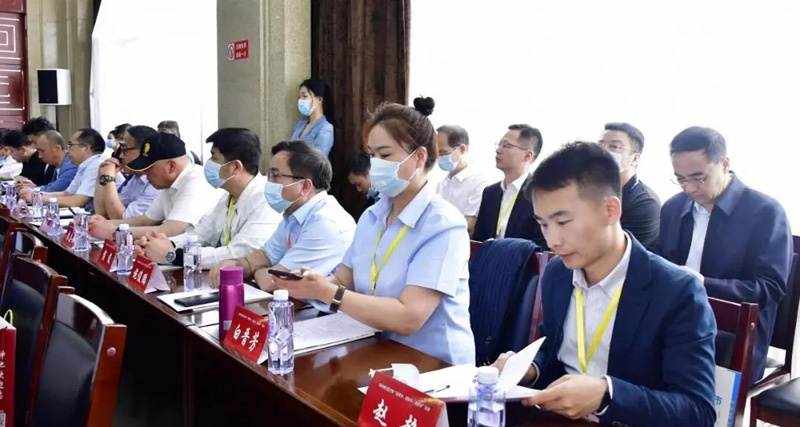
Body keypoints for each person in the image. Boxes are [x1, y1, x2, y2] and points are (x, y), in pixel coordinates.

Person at [495, 141, 716, 426]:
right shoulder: (557, 274)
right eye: (543, 224)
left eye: (563, 222)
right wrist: (529, 368)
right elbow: (553, 348)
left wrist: (607, 395)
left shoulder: (676, 291)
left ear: (611, 210)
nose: (552, 240)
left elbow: (697, 411)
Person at [269, 98, 476, 366]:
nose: (375, 164)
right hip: (376, 349)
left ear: (419, 157)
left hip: (433, 364)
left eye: (385, 155)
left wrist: (328, 293)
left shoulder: (444, 224)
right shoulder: (372, 216)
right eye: (371, 155)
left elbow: (409, 317)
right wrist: (313, 283)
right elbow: (343, 279)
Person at [658, 126, 791, 384]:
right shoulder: (673, 208)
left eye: (699, 178)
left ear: (725, 164)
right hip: (675, 324)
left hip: (733, 335)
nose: (689, 188)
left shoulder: (765, 213)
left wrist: (703, 284)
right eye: (681, 179)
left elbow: (769, 289)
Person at [208, 140, 355, 299]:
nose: (268, 183)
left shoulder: (324, 223)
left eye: (275, 175)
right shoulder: (293, 213)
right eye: (269, 175)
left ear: (305, 186)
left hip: (323, 310)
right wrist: (238, 264)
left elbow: (273, 282)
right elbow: (266, 255)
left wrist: (256, 270)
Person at [137, 128, 281, 268]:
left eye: (214, 157)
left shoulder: (266, 200)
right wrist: (163, 244)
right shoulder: (228, 197)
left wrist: (173, 255)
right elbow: (201, 234)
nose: (208, 162)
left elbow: (238, 253)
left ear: (236, 167)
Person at [88, 132, 218, 239]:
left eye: (149, 168)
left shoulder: (196, 182)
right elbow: (144, 220)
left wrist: (114, 231)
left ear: (171, 167)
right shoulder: (168, 184)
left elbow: (170, 230)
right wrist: (103, 223)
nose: (145, 174)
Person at [473, 124, 546, 247]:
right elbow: (479, 238)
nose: (498, 150)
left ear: (527, 156)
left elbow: (542, 244)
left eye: (506, 145)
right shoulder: (490, 192)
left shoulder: (539, 194)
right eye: (499, 145)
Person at [598, 122, 660, 250]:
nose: (603, 151)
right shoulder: (591, 191)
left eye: (614, 146)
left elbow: (620, 252)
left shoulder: (645, 203)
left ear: (635, 159)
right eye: (600, 145)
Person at [41, 128, 121, 210]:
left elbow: (77, 202)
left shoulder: (97, 164)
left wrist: (40, 199)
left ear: (85, 148)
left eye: (71, 145)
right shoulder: (84, 165)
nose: (67, 151)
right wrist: (39, 195)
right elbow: (68, 193)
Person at [93, 125, 161, 219]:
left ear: (144, 152)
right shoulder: (135, 177)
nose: (121, 156)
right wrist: (101, 175)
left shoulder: (156, 185)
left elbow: (121, 220)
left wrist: (109, 179)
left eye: (125, 150)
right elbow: (103, 213)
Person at [435, 125, 493, 237]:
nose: (439, 158)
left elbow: (469, 224)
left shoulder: (479, 181)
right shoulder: (441, 183)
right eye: (436, 153)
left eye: (443, 153)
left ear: (461, 149)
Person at [18, 131, 78, 201]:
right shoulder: (58, 165)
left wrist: (31, 191)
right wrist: (33, 187)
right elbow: (50, 186)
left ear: (57, 148)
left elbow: (54, 189)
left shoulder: (71, 165)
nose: (39, 156)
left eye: (42, 151)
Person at [290, 78, 335, 156]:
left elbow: (318, 157)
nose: (300, 101)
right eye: (299, 97)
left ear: (319, 99)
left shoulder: (325, 128)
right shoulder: (299, 125)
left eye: (304, 96)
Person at [11, 117, 55, 186]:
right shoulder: (43, 159)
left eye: (34, 142)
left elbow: (55, 188)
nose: (35, 147)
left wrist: (34, 188)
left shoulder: (65, 162)